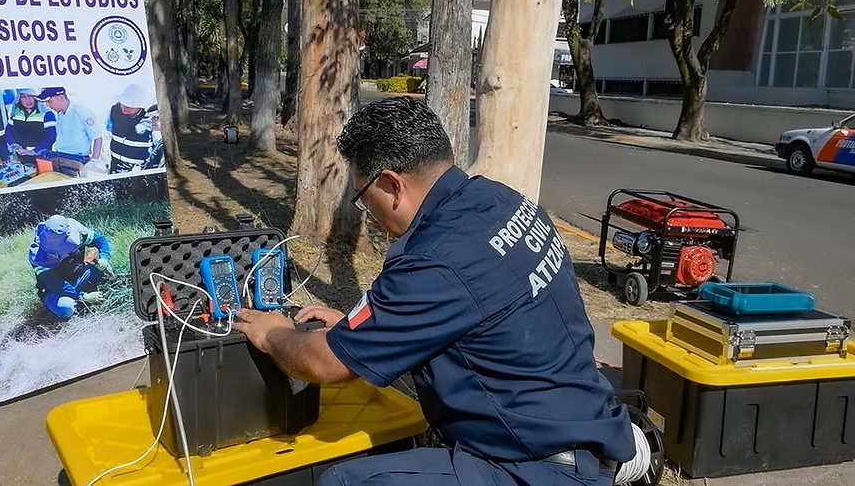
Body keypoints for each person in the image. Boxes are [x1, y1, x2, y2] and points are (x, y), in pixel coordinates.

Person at [234, 96, 635, 485]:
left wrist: (273, 334)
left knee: (345, 480)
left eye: (362, 198)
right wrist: (362, 332)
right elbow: (473, 314)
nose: (368, 214)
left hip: (536, 465)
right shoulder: (502, 201)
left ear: (391, 185)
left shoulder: (435, 258)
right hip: (584, 420)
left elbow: (325, 364)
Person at [28, 214, 113, 320]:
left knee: (103, 269)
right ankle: (57, 311)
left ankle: (87, 293)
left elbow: (100, 240)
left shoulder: (76, 229)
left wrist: (104, 258)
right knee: (67, 308)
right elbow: (58, 286)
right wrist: (84, 296)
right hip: (54, 291)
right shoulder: (38, 257)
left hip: (78, 275)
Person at [37, 87, 103, 165]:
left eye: (49, 101)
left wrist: (93, 162)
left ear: (60, 98)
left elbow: (98, 138)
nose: (47, 105)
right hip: (59, 156)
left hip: (77, 159)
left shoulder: (82, 112)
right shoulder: (58, 113)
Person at [105, 84, 161, 173]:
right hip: (115, 165)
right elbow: (108, 130)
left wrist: (158, 130)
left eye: (129, 106)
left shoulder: (151, 119)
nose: (124, 108)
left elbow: (158, 146)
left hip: (138, 169)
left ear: (139, 106)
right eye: (123, 104)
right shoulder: (114, 111)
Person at [6, 87, 57, 162]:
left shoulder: (46, 113)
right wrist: (13, 143)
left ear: (35, 97)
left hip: (41, 157)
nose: (28, 100)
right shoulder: (15, 112)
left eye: (30, 96)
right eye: (23, 97)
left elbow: (51, 137)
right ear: (19, 99)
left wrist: (34, 151)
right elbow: (8, 131)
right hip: (21, 156)